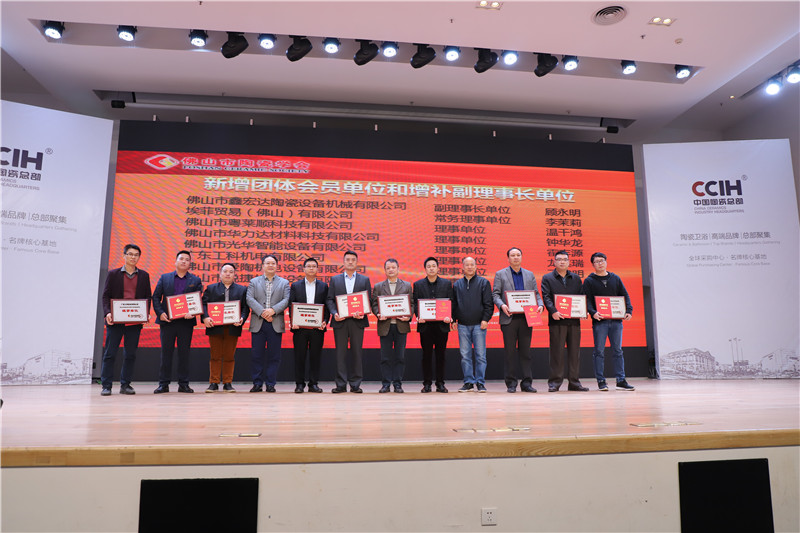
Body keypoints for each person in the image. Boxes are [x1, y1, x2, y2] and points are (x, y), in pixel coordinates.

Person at [99, 244, 152, 396]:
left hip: (134, 323)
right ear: (124, 256)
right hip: (115, 321)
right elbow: (105, 296)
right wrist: (107, 313)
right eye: (130, 254)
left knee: (130, 355)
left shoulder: (144, 276)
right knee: (110, 354)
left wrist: (145, 313)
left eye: (136, 255)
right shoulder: (113, 274)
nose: (133, 257)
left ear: (139, 257)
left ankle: (125, 385)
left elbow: (147, 297)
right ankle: (106, 386)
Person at [492, 247, 543, 393]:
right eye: (512, 255)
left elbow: (536, 294)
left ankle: (527, 383)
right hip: (509, 318)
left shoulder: (529, 274)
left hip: (527, 318)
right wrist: (502, 306)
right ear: (508, 258)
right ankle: (511, 383)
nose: (515, 257)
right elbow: (495, 294)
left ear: (521, 257)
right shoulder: (500, 274)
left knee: (526, 352)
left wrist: (540, 305)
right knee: (510, 353)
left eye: (518, 255)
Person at [152, 250, 204, 394]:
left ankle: (183, 384)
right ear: (175, 261)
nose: (184, 261)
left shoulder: (195, 280)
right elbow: (156, 297)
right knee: (166, 353)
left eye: (187, 259)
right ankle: (163, 384)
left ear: (190, 263)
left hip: (185, 322)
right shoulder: (165, 278)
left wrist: (192, 312)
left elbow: (197, 301)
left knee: (184, 354)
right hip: (167, 321)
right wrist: (160, 313)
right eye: (181, 259)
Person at [583, 252, 635, 391]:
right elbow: (587, 300)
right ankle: (601, 381)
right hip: (600, 322)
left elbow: (624, 295)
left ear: (606, 262)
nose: (600, 263)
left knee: (618, 351)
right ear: (593, 265)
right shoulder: (589, 281)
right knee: (599, 351)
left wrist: (628, 310)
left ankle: (621, 380)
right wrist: (593, 313)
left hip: (616, 321)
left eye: (602, 261)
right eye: (597, 262)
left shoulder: (615, 278)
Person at [540, 250, 588, 392]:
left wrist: (583, 310)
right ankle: (555, 382)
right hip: (557, 320)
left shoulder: (576, 278)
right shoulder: (547, 278)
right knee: (557, 353)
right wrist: (553, 311)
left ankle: (574, 382)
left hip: (574, 321)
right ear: (554, 262)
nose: (562, 262)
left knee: (574, 353)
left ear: (568, 262)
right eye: (559, 259)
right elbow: (546, 297)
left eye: (565, 259)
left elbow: (581, 296)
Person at [326, 250, 372, 393]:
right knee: (340, 354)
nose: (350, 262)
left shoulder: (364, 280)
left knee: (357, 353)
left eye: (353, 259)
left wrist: (363, 313)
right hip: (340, 321)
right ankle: (340, 384)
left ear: (357, 262)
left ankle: (355, 384)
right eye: (348, 259)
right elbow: (330, 299)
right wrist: (334, 313)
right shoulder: (335, 279)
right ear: (344, 262)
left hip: (357, 321)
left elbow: (368, 300)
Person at [201, 263, 250, 392]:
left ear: (234, 275)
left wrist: (242, 318)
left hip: (232, 327)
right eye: (225, 271)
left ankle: (228, 383)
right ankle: (214, 382)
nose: (228, 274)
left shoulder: (241, 289)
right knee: (215, 356)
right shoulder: (211, 288)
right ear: (220, 273)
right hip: (215, 326)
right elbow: (203, 304)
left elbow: (245, 308)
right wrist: (205, 317)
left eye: (231, 272)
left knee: (229, 356)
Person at [246, 254, 290, 393]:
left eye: (273, 263)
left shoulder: (284, 283)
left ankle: (271, 383)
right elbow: (249, 299)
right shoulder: (254, 282)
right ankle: (257, 383)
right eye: (268, 263)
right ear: (263, 266)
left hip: (275, 322)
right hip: (258, 322)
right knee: (256, 355)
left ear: (277, 266)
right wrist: (263, 312)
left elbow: (286, 300)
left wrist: (273, 311)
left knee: (274, 356)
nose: (270, 265)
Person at [371, 258, 413, 393]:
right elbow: (374, 304)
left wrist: (409, 316)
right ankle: (386, 384)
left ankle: (398, 384)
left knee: (400, 357)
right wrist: (378, 314)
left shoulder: (407, 285)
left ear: (398, 269)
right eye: (388, 268)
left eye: (393, 267)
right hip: (385, 325)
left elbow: (411, 304)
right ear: (385, 270)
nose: (391, 270)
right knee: (385, 358)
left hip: (401, 325)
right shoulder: (378, 286)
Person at [452, 256, 493, 393]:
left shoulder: (483, 282)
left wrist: (485, 319)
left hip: (479, 325)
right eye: (467, 265)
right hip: (462, 325)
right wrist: (453, 319)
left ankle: (480, 382)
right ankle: (468, 382)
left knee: (480, 355)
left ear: (476, 267)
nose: (469, 267)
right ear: (462, 268)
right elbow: (454, 304)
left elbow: (489, 304)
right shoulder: (457, 284)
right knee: (465, 355)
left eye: (472, 264)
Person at [288, 257, 329, 393]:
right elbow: (291, 304)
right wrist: (293, 321)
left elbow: (327, 306)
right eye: (309, 266)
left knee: (315, 356)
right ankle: (299, 384)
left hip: (317, 328)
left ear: (317, 269)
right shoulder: (296, 286)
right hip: (300, 328)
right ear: (304, 269)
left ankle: (313, 384)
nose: (311, 268)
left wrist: (325, 321)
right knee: (299, 356)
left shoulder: (323, 286)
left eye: (314, 266)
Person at [413, 257, 453, 393]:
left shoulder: (446, 284)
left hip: (442, 325)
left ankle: (440, 383)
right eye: (428, 266)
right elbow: (415, 303)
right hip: (425, 326)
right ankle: (427, 383)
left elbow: (451, 301)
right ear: (425, 269)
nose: (431, 268)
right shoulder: (418, 284)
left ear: (438, 268)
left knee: (441, 355)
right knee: (427, 355)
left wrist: (449, 316)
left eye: (433, 266)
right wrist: (418, 315)